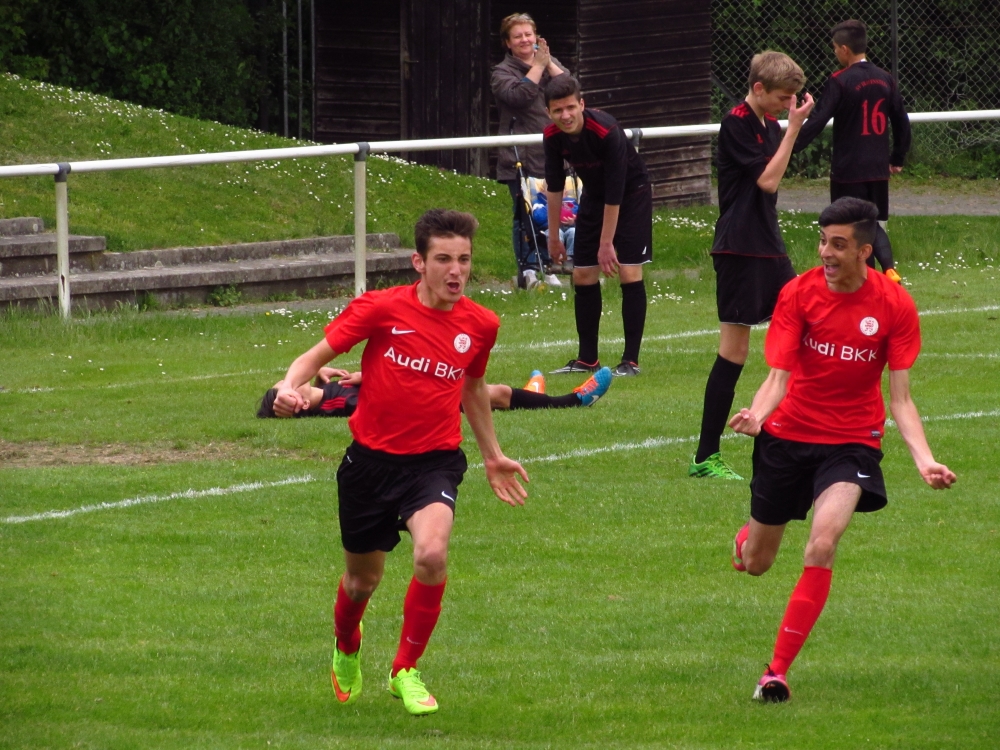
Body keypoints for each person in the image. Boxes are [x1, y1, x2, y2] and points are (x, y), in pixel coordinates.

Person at [272, 209, 529, 716]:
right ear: (419, 262)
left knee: (431, 555)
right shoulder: (381, 308)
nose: (456, 271)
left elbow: (474, 388)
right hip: (368, 466)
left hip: (434, 463)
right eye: (444, 259)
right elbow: (314, 357)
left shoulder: (481, 324)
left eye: (464, 260)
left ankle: (405, 669)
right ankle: (347, 644)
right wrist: (288, 386)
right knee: (361, 583)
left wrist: (493, 456)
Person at [728, 197, 956, 703]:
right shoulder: (798, 293)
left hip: (851, 444)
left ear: (864, 251)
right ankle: (748, 539)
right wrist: (757, 416)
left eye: (838, 244)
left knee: (822, 544)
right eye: (822, 242)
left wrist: (925, 460)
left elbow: (901, 399)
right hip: (787, 436)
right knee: (758, 562)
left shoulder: (895, 305)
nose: (825, 253)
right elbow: (778, 376)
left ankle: (775, 673)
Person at [689, 51, 815, 480]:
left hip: (768, 245)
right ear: (758, 89)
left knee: (809, 324)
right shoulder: (736, 122)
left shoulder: (771, 124)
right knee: (734, 352)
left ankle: (797, 429)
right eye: (782, 97)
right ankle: (705, 456)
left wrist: (789, 126)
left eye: (793, 98)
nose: (788, 105)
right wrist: (794, 129)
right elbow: (768, 180)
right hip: (740, 248)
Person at [542, 74, 653, 377]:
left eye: (570, 107)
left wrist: (606, 244)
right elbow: (554, 186)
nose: (565, 115)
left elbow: (616, 192)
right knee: (582, 275)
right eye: (557, 110)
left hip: (631, 193)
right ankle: (587, 359)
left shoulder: (606, 131)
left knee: (628, 272)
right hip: (594, 194)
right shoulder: (551, 135)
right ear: (549, 112)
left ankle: (630, 361)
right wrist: (554, 236)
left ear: (582, 104)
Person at [793, 19, 911, 281]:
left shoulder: (840, 80)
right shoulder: (886, 78)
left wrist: (791, 146)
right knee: (872, 223)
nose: (835, 52)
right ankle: (888, 270)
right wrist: (897, 156)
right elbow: (901, 121)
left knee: (852, 226)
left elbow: (819, 119)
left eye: (835, 48)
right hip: (877, 168)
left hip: (848, 169)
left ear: (844, 49)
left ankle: (866, 281)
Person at [491, 12, 568, 285]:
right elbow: (519, 96)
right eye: (517, 36)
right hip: (520, 156)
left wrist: (549, 65)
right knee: (525, 215)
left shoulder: (547, 61)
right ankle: (528, 269)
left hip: (553, 152)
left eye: (528, 34)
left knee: (553, 212)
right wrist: (538, 67)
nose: (524, 40)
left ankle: (551, 267)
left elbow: (569, 88)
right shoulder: (501, 72)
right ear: (507, 42)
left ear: (536, 37)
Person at [257, 365, 613, 418]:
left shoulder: (324, 387)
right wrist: (371, 375)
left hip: (415, 387)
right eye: (288, 396)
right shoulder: (333, 405)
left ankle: (530, 392)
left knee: (496, 392)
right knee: (493, 394)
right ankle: (574, 401)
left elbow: (285, 382)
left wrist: (318, 375)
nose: (290, 388)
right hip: (420, 400)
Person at [530, 176, 580, 268]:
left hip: (569, 228)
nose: (558, 193)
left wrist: (574, 220)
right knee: (557, 233)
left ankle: (570, 260)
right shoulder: (539, 203)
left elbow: (579, 214)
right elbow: (538, 218)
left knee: (574, 232)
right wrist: (553, 204)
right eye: (553, 190)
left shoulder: (571, 202)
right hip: (550, 229)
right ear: (543, 191)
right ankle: (556, 259)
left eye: (561, 190)